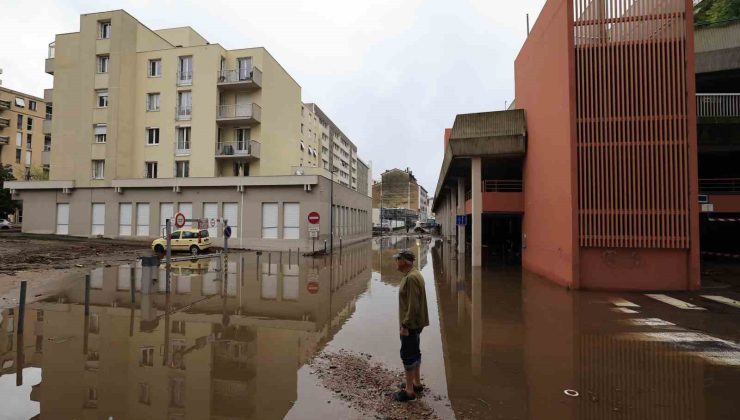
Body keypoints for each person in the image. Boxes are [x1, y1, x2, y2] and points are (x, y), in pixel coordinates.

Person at [392, 249, 429, 402]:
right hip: (415, 323)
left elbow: (413, 305)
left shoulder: (411, 278)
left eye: (398, 259)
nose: (396, 262)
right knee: (415, 351)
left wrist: (405, 325)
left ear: (405, 262)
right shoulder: (413, 274)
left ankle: (409, 391)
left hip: (411, 324)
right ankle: (416, 383)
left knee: (407, 354)